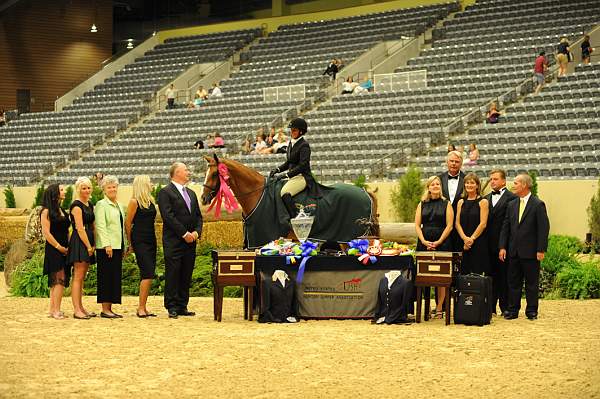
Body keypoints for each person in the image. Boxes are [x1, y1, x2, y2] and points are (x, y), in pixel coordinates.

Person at [499, 174, 550, 320]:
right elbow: (505, 227)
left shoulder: (538, 204)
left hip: (531, 252)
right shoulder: (511, 204)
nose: (513, 185)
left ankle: (532, 310)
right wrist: (502, 246)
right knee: (513, 282)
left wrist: (541, 249)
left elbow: (543, 228)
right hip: (513, 251)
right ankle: (513, 310)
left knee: (531, 283)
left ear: (524, 185)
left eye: (515, 183)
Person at [158, 162, 203, 319]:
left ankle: (182, 304)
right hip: (174, 241)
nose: (188, 172)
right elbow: (168, 216)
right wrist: (184, 234)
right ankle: (171, 305)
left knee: (186, 273)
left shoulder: (191, 193)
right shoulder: (166, 192)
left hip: (191, 241)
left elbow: (198, 216)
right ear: (176, 173)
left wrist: (197, 232)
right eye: (185, 170)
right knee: (173, 272)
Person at [414, 176, 454, 319]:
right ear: (428, 187)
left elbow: (450, 225)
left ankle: (439, 308)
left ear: (440, 187)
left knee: (441, 277)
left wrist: (439, 241)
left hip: (442, 242)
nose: (436, 186)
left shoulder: (446, 203)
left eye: (438, 184)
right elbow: (417, 225)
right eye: (433, 184)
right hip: (424, 242)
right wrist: (424, 241)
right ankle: (425, 308)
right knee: (424, 276)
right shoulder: (422, 204)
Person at [484, 169, 517, 315]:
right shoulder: (485, 198)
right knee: (490, 277)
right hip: (488, 245)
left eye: (495, 179)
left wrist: (504, 245)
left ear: (504, 181)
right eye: (491, 179)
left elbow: (511, 224)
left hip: (505, 245)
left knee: (504, 277)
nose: (492, 181)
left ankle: (505, 308)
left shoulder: (512, 198)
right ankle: (490, 308)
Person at [269, 118, 315, 219]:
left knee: (284, 193)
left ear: (301, 131)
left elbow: (302, 166)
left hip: (302, 177)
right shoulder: (291, 143)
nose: (292, 132)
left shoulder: (304, 145)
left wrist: (286, 175)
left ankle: (296, 219)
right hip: (293, 177)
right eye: (291, 130)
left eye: (294, 130)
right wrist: (277, 170)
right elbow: (289, 162)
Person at [125, 175, 158, 318]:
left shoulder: (150, 201)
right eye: (149, 182)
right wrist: (130, 243)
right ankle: (140, 308)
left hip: (151, 239)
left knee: (148, 273)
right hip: (139, 240)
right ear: (143, 184)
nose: (151, 184)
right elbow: (128, 223)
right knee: (148, 273)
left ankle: (143, 306)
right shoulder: (134, 202)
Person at [94, 176, 127, 319]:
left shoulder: (119, 205)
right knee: (106, 277)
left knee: (114, 277)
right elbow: (100, 226)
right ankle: (105, 309)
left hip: (118, 246)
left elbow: (121, 227)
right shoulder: (102, 205)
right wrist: (107, 244)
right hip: (106, 247)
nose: (112, 189)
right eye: (109, 187)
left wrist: (125, 244)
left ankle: (110, 308)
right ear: (104, 190)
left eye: (114, 187)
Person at [67, 177, 96, 320]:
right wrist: (89, 246)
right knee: (78, 275)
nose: (87, 190)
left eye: (88, 187)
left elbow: (92, 225)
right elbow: (79, 228)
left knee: (83, 275)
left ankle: (81, 307)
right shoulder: (76, 206)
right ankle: (76, 309)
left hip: (88, 240)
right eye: (84, 188)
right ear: (78, 189)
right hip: (80, 242)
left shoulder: (89, 204)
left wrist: (95, 242)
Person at [41, 184, 70, 319]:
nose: (64, 191)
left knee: (57, 279)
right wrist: (59, 247)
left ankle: (52, 309)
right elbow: (46, 233)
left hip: (64, 247)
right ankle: (56, 310)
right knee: (58, 278)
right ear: (55, 194)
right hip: (54, 248)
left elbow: (66, 230)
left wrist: (68, 246)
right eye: (62, 190)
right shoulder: (46, 211)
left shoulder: (61, 209)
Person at [455, 173, 490, 275]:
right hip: (462, 241)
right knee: (463, 272)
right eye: (467, 183)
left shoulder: (483, 202)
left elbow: (483, 223)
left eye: (472, 183)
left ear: (477, 185)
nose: (469, 185)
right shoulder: (460, 202)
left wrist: (471, 239)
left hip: (478, 242)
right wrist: (464, 239)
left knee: (477, 272)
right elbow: (457, 223)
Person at [438, 150, 465, 251]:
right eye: (451, 161)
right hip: (442, 224)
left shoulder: (467, 180)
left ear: (461, 164)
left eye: (457, 162)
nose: (454, 163)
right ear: (447, 162)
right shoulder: (439, 179)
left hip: (462, 225)